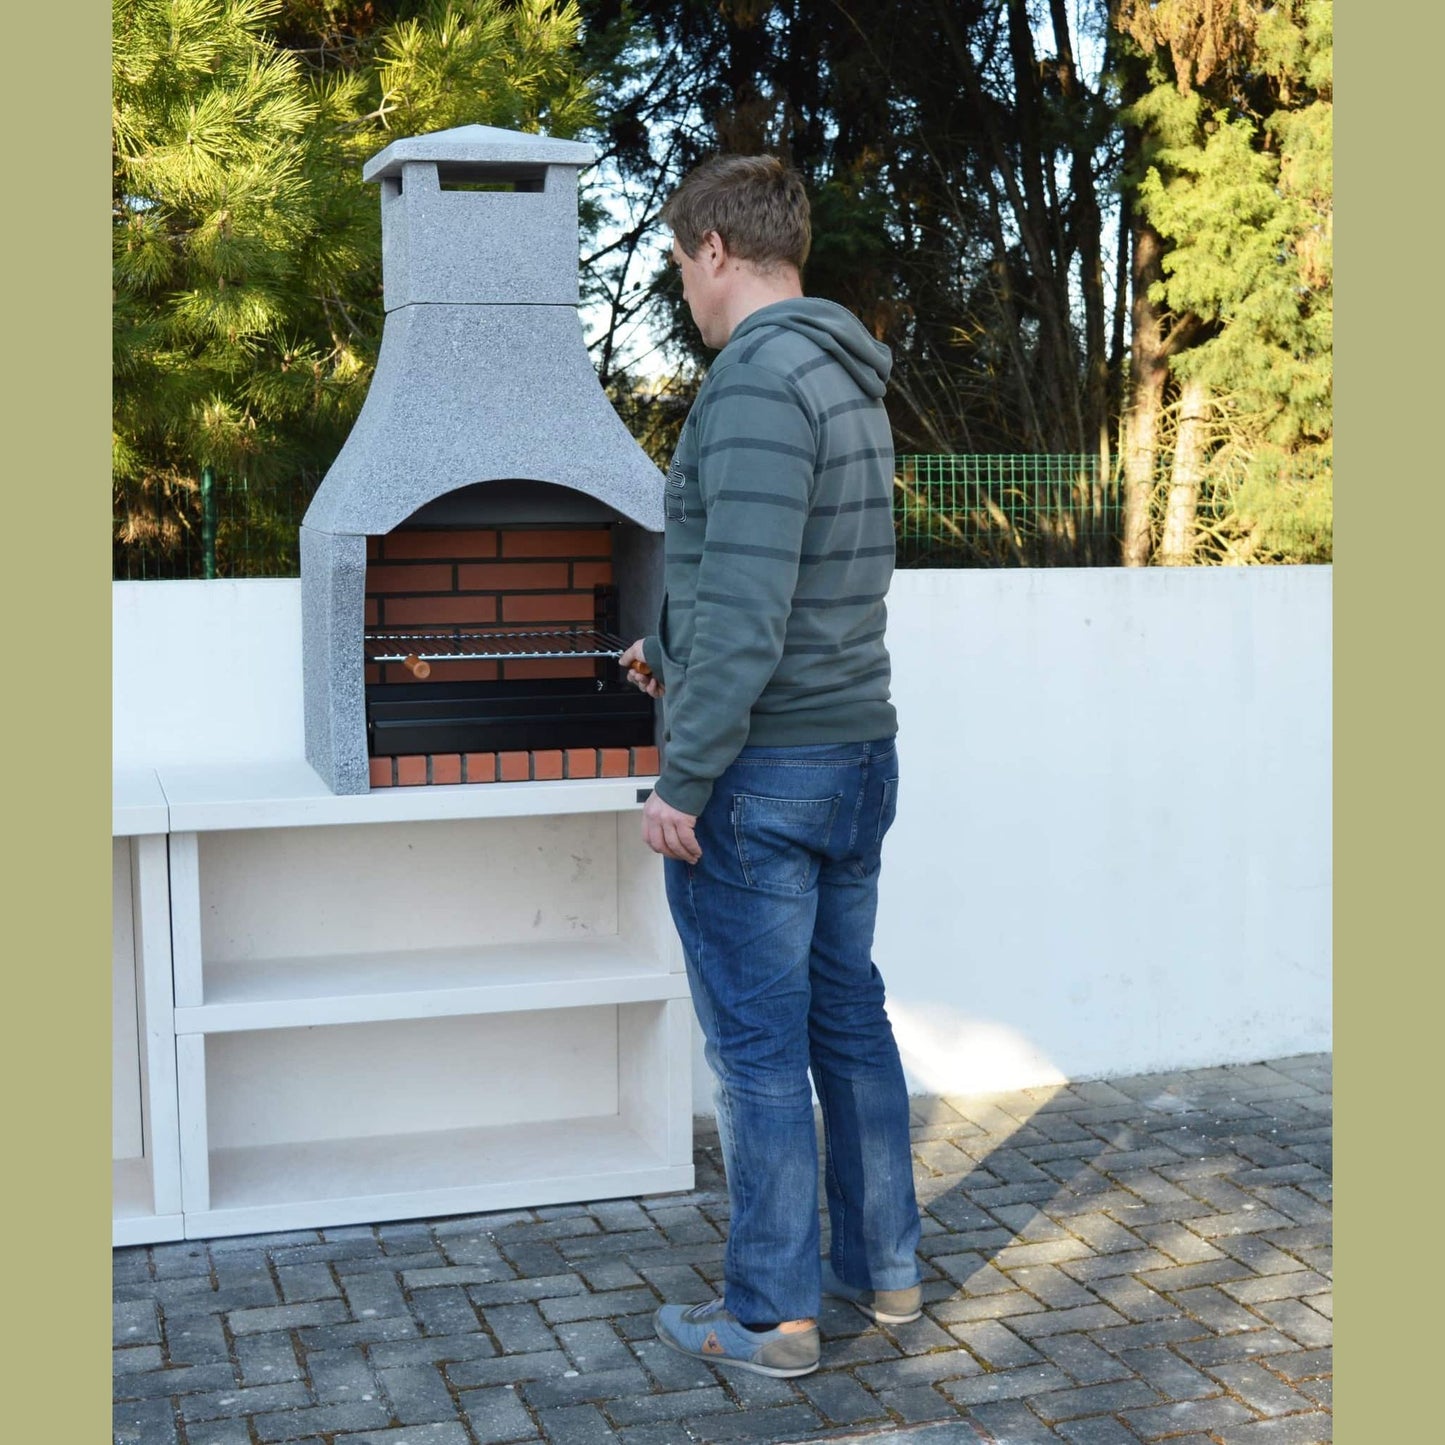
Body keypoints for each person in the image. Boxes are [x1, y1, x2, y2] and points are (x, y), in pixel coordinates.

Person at [617, 154, 922, 1379]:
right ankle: (883, 1268)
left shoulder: (751, 381)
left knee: (756, 1048)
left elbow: (748, 608)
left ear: (714, 251)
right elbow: (792, 579)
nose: (683, 293)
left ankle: (770, 1318)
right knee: (846, 1014)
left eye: (680, 265)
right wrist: (667, 652)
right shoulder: (844, 375)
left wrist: (681, 779)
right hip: (853, 751)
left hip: (764, 770)